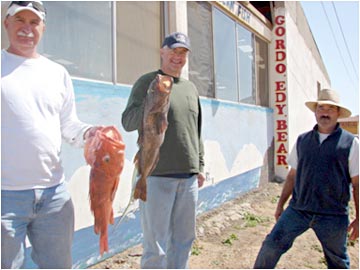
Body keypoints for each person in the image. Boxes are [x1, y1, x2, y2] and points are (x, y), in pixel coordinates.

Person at [1, 1, 100, 268]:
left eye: (34, 22)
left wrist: (89, 133)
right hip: (5, 196)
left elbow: (68, 126)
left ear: (43, 28)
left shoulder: (58, 73)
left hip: (54, 196)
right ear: (6, 23)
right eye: (19, 20)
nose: (26, 28)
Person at [122, 32, 205, 269]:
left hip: (188, 178)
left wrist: (199, 166)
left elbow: (196, 130)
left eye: (182, 52)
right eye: (173, 51)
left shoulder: (190, 88)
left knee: (183, 240)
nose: (177, 57)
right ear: (162, 52)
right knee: (155, 246)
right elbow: (127, 121)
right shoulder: (147, 82)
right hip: (155, 176)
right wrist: (152, 104)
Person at [254, 89, 359, 269]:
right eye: (321, 108)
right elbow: (292, 176)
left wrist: (359, 217)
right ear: (315, 111)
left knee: (338, 262)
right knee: (271, 246)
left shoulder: (351, 143)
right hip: (298, 210)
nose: (324, 112)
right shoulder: (302, 140)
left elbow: (357, 183)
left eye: (330, 109)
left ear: (338, 113)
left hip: (332, 215)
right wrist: (281, 205)